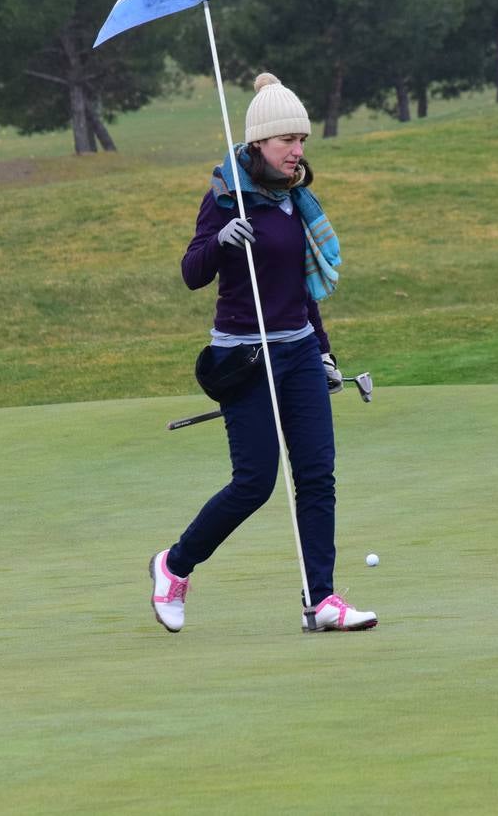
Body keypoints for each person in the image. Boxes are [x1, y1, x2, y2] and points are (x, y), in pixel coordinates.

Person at [149, 73, 378, 634]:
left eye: (302, 141)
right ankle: (175, 565)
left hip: (297, 350)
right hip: (243, 359)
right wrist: (223, 236)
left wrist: (323, 352)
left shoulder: (296, 201)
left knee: (318, 475)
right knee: (254, 482)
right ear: (258, 145)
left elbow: (300, 287)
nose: (297, 152)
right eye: (286, 142)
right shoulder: (227, 196)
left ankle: (320, 601)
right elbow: (190, 272)